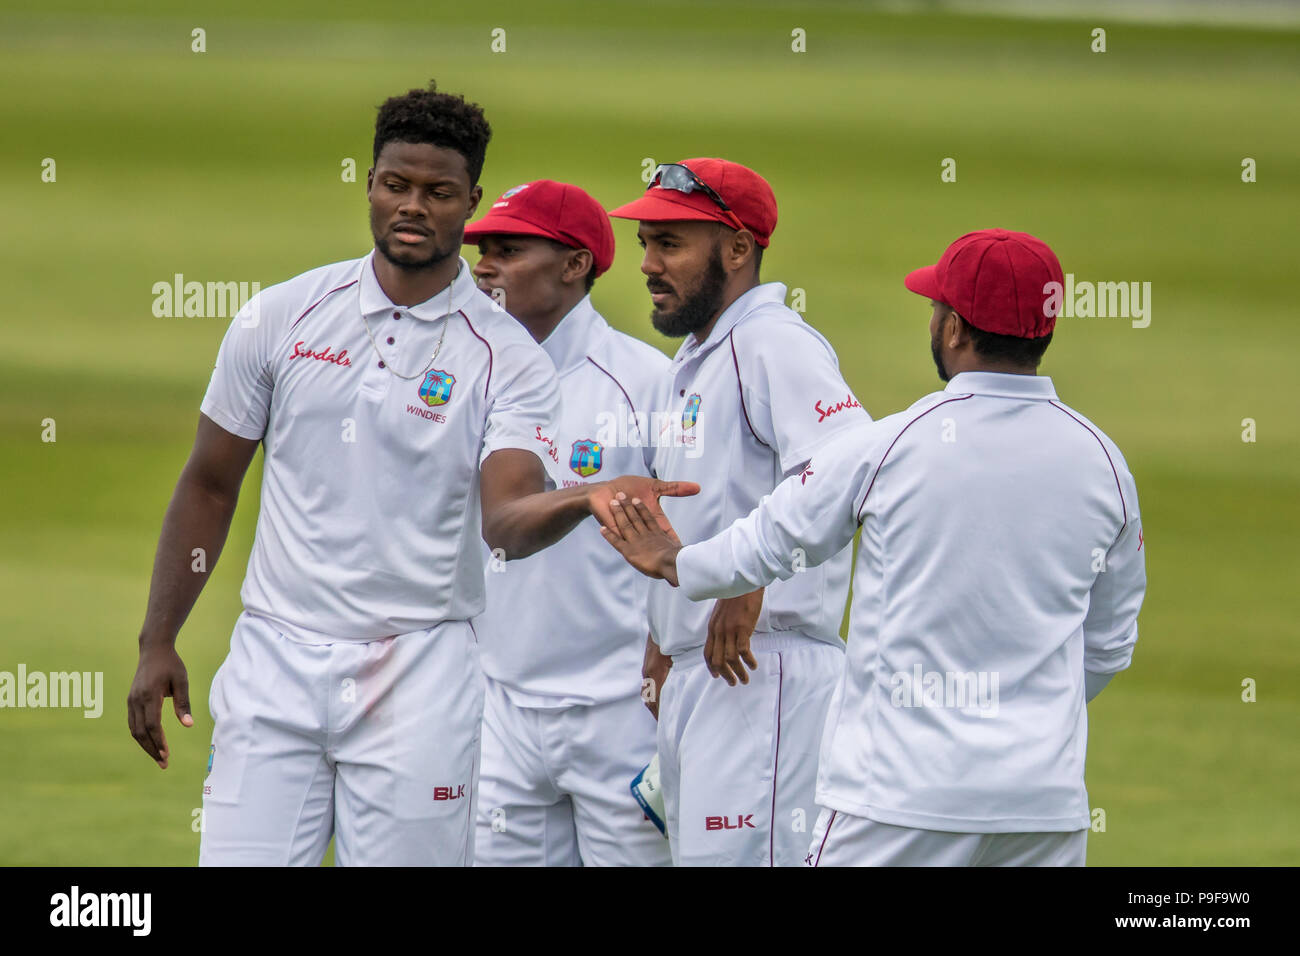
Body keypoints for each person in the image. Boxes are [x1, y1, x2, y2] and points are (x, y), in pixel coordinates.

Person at [125, 82, 695, 866]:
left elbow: (506, 520)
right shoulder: (278, 317)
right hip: (272, 664)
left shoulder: (509, 359)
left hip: (418, 678)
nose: (413, 206)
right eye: (396, 184)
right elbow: (209, 484)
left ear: (470, 202)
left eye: (439, 192)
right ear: (368, 184)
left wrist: (582, 498)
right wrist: (160, 639)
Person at [600, 228, 1147, 867]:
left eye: (938, 307)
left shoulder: (895, 445)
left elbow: (777, 535)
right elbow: (1108, 646)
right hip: (1042, 808)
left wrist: (677, 563)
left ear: (955, 331)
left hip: (895, 801)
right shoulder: (1105, 463)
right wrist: (1022, 716)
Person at [605, 158, 870, 866]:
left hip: (762, 669)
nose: (649, 264)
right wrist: (661, 648)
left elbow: (845, 467)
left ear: (737, 248)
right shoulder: (691, 363)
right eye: (645, 244)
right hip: (703, 674)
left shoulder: (772, 341)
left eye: (671, 244)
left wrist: (749, 580)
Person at [463, 179, 672, 866]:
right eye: (481, 250)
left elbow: (694, 540)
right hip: (500, 709)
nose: (484, 266)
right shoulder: (466, 375)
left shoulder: (648, 383)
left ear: (575, 264)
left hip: (621, 713)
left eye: (509, 249)